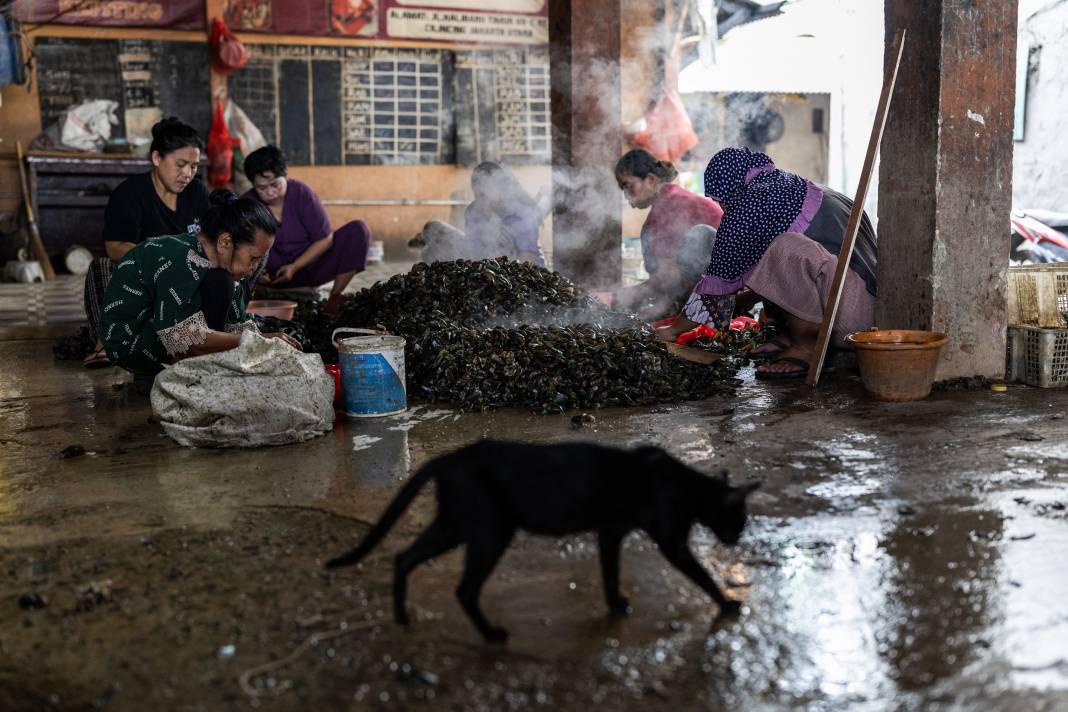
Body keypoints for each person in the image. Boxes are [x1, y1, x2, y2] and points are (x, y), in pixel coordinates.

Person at [655, 147, 878, 380]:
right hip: (869, 305)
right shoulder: (794, 189)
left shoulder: (746, 208)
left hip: (850, 323)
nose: (722, 208)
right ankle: (790, 336)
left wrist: (672, 331)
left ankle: (805, 349)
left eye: (719, 201)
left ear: (727, 192)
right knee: (772, 254)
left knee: (785, 248)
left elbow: (716, 285)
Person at [100, 190, 301, 388]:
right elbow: (184, 337)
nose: (255, 267)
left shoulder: (224, 269)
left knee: (223, 283)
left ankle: (196, 368)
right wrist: (256, 341)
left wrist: (262, 342)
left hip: (166, 331)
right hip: (131, 342)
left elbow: (236, 325)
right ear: (225, 242)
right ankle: (176, 374)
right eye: (254, 258)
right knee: (221, 287)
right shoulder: (177, 257)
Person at [83, 117, 210, 368]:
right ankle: (105, 344)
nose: (187, 174)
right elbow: (115, 246)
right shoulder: (129, 194)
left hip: (188, 278)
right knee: (102, 267)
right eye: (181, 164)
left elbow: (208, 239)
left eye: (194, 167)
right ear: (156, 158)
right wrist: (162, 260)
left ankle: (205, 334)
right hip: (144, 280)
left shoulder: (198, 193)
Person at [242, 145, 370, 318]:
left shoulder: (302, 193)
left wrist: (294, 267)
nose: (270, 192)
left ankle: (335, 298)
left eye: (275, 184)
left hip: (310, 268)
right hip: (270, 275)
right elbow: (242, 247)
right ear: (253, 185)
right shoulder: (247, 204)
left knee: (358, 230)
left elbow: (325, 238)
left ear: (285, 175)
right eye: (262, 188)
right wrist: (255, 271)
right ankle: (261, 295)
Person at [612, 149, 724, 318]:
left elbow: (669, 276)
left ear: (651, 179)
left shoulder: (670, 206)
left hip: (723, 296)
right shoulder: (669, 200)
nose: (626, 195)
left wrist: (628, 295)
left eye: (628, 185)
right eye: (623, 188)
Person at [410, 162, 548, 266]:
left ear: (501, 187)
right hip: (485, 264)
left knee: (502, 233)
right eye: (475, 185)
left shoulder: (520, 213)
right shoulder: (473, 211)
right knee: (433, 231)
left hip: (521, 269)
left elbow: (527, 257)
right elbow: (473, 248)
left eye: (485, 187)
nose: (478, 191)